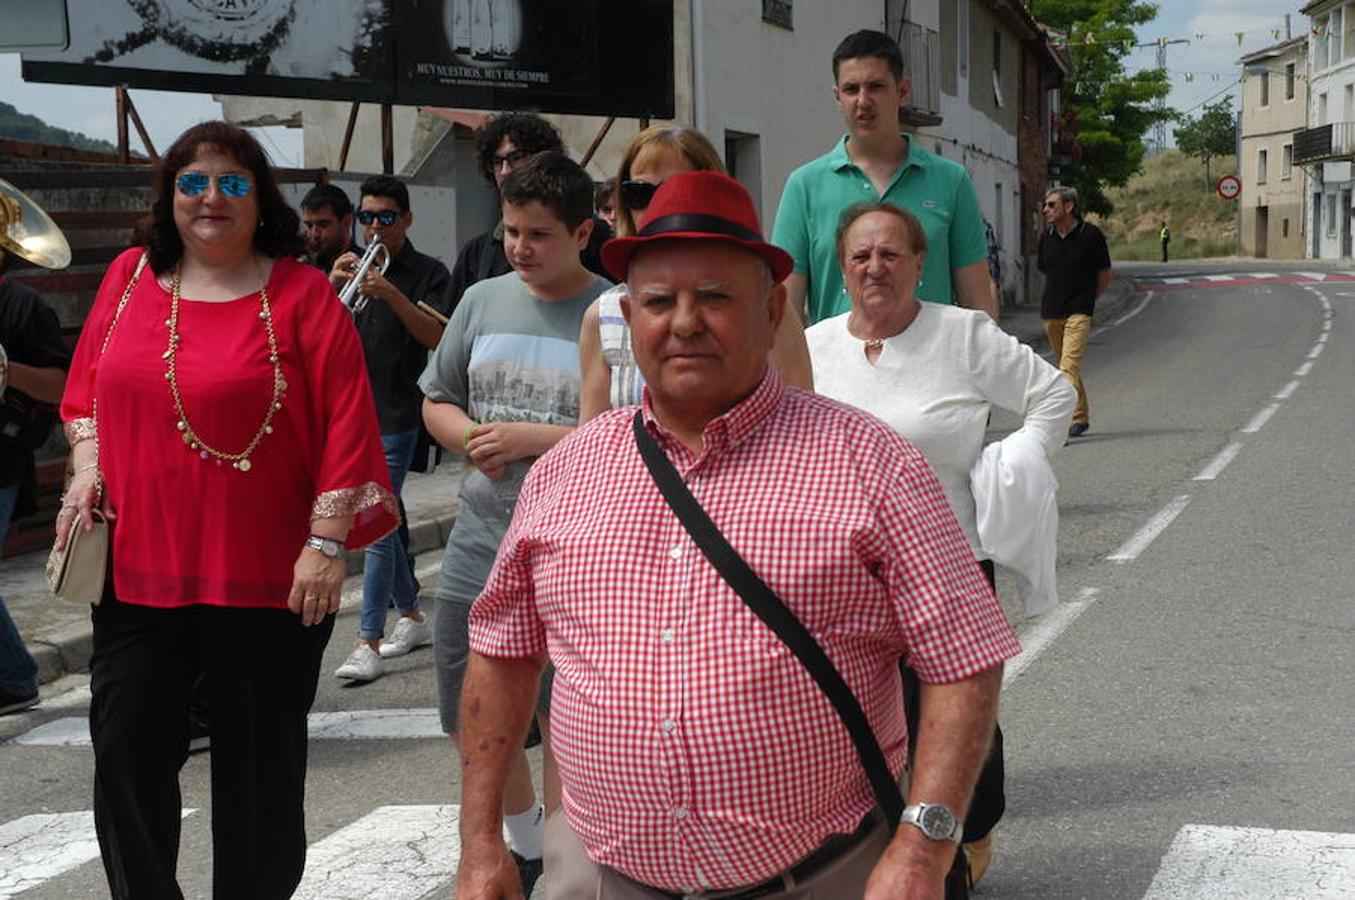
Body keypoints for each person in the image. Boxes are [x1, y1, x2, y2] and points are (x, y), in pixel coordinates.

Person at [454, 171, 1020, 900]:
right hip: (602, 877)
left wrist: (923, 845)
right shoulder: (565, 473)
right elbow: (501, 658)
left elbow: (963, 660)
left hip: (827, 875)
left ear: (771, 307)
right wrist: (477, 845)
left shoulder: (869, 462)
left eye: (715, 297)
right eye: (658, 302)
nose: (683, 322)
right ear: (627, 317)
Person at [56, 121, 398, 898]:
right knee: (125, 756)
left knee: (258, 781)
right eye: (193, 183)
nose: (211, 198)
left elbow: (349, 421)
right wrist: (87, 466)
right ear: (169, 196)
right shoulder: (127, 279)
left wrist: (326, 541)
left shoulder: (306, 297)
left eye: (232, 183)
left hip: (269, 581)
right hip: (138, 574)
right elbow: (86, 394)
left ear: (258, 199)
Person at [806, 201, 1075, 887]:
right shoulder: (811, 348)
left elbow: (1050, 395)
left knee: (950, 712)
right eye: (861, 254)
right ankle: (878, 848)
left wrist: (1015, 464)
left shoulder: (961, 336)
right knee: (857, 715)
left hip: (948, 561)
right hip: (841, 574)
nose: (875, 266)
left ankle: (971, 826)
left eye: (891, 253)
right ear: (841, 265)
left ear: (919, 263)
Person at [422, 151, 612, 896]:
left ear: (583, 232)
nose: (519, 248)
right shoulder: (479, 300)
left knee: (569, 715)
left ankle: (570, 862)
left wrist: (533, 440)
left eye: (538, 234)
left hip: (580, 545)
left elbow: (634, 430)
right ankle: (528, 841)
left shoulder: (618, 309)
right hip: (479, 538)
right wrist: (468, 436)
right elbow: (436, 398)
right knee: (465, 712)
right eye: (510, 231)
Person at [577, 125, 812, 423]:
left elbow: (801, 419)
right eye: (639, 193)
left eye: (715, 297)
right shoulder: (601, 315)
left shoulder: (763, 306)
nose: (685, 323)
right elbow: (591, 433)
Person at [772, 28, 997, 324]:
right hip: (838, 369)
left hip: (930, 368)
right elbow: (784, 313)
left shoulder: (951, 182)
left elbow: (977, 305)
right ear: (837, 97)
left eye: (876, 86)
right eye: (851, 89)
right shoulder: (803, 187)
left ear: (902, 91)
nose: (863, 101)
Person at [329, 175, 452, 682]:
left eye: (385, 217)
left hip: (400, 414)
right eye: (367, 217)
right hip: (350, 413)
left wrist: (392, 294)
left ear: (406, 219)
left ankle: (367, 642)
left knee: (375, 524)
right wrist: (332, 288)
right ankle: (415, 617)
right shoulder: (347, 267)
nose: (374, 227)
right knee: (388, 518)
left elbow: (437, 335)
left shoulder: (429, 272)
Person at [447, 112, 612, 312]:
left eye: (540, 234)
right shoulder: (478, 255)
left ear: (581, 236)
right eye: (498, 162)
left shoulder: (597, 243)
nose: (505, 171)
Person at [0, 251, 70, 716]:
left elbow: (61, 385)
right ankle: (15, 678)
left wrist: (6, 371)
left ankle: (17, 679)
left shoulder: (24, 305)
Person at [1038, 186, 1111, 439]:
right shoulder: (1046, 235)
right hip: (1052, 311)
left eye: (1051, 205)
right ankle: (1080, 416)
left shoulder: (1091, 235)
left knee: (1067, 367)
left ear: (1069, 207)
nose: (1046, 210)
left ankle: (1060, 425)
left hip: (1079, 310)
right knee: (1066, 366)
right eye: (1046, 205)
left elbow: (1105, 273)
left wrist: (1089, 300)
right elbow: (1045, 269)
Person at [300, 182, 355, 273]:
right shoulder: (306, 263)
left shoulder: (366, 265)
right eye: (309, 226)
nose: (314, 234)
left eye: (323, 225)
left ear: (346, 222)